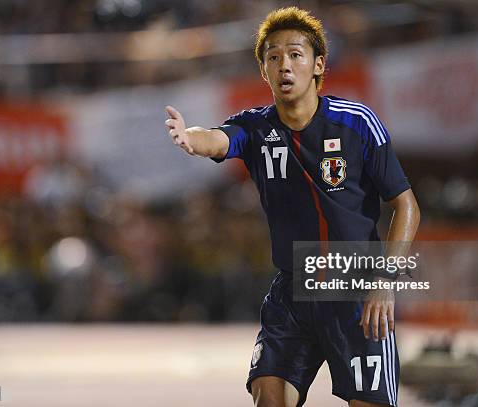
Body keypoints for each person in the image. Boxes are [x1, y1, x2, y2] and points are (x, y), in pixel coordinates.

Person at [164, 6, 420, 407]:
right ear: (263, 71)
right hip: (292, 291)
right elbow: (216, 137)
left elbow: (406, 206)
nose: (285, 64)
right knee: (269, 396)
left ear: (319, 65)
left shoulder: (357, 123)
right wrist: (189, 139)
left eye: (295, 54)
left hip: (354, 287)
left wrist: (385, 282)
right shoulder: (255, 127)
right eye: (273, 57)